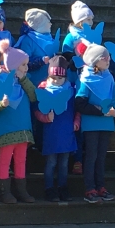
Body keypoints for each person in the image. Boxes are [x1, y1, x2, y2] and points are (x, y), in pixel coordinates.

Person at [0, 41, 37, 204]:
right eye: (23, 64)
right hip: (6, 130)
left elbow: (34, 96)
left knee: (21, 160)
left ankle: (22, 191)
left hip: (23, 129)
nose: (26, 68)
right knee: (5, 160)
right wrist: (1, 104)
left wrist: (24, 80)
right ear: (13, 65)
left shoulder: (23, 81)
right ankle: (5, 192)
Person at [74, 42, 115, 204]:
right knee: (91, 156)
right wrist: (101, 111)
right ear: (94, 60)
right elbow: (80, 103)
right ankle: (90, 188)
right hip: (91, 125)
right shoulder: (85, 79)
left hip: (106, 124)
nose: (108, 60)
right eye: (104, 58)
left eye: (108, 57)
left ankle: (101, 187)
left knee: (101, 157)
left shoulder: (109, 77)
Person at [34, 56, 80, 202]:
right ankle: (49, 189)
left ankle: (63, 188)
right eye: (53, 78)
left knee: (64, 163)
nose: (56, 81)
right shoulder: (43, 90)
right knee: (51, 162)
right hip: (51, 134)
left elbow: (77, 110)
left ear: (65, 77)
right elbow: (37, 111)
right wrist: (46, 118)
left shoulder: (71, 90)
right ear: (48, 76)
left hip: (67, 132)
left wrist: (76, 122)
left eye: (60, 78)